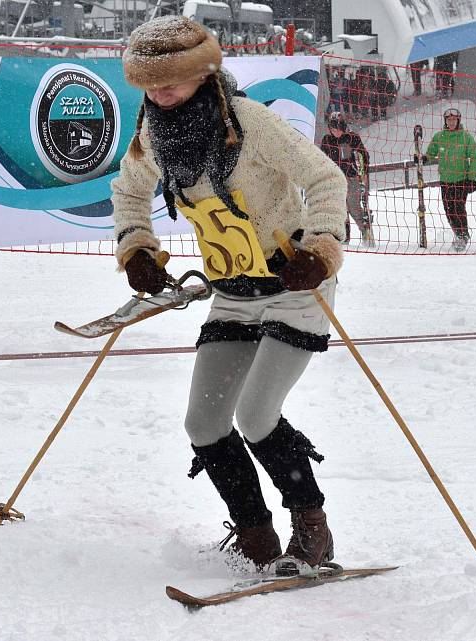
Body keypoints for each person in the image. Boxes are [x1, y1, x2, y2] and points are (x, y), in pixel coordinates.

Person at [111, 16, 347, 576]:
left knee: (258, 415)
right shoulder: (152, 133)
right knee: (204, 423)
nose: (160, 91)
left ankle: (312, 528)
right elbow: (127, 191)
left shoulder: (250, 122)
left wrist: (320, 249)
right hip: (233, 290)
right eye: (149, 82)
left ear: (201, 72)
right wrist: (137, 250)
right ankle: (256, 536)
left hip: (294, 284)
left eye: (172, 78)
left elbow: (327, 179)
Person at [416, 107, 476, 251]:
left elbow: (474, 158)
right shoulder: (440, 137)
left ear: (458, 120)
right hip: (445, 180)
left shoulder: (465, 137)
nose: (451, 122)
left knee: (458, 208)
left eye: (454, 120)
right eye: (449, 120)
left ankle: (463, 235)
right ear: (445, 121)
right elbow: (431, 153)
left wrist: (471, 178)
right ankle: (457, 233)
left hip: (461, 180)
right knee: (448, 210)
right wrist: (423, 158)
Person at [320, 113, 373, 246]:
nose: (335, 132)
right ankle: (344, 237)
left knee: (353, 206)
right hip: (334, 179)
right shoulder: (327, 140)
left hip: (351, 177)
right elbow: (321, 158)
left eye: (337, 129)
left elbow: (364, 155)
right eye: (332, 129)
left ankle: (365, 231)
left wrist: (364, 172)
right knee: (340, 209)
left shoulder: (352, 138)